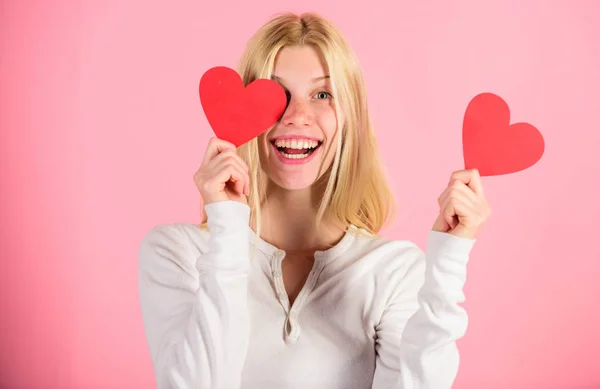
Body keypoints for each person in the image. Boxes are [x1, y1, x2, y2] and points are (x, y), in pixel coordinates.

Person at [137, 11, 491, 389]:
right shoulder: (177, 253)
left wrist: (449, 262)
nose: (297, 116)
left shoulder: (393, 270)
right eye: (277, 94)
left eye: (322, 94)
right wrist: (225, 222)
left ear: (349, 116)